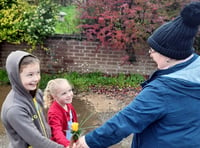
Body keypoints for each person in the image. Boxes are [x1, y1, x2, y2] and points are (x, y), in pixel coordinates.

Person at [74, 2, 200, 148]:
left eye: (153, 50)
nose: (150, 54)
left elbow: (126, 121)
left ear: (168, 55)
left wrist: (89, 141)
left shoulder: (163, 90)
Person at [1, 50, 65, 148]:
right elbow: (37, 141)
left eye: (38, 73)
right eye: (30, 75)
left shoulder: (36, 93)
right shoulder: (14, 109)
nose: (36, 78)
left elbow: (44, 122)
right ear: (16, 77)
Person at [43, 78, 78, 147]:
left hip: (70, 139)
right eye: (64, 93)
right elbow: (56, 132)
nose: (69, 95)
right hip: (61, 144)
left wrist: (76, 138)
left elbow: (74, 121)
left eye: (70, 90)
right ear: (55, 96)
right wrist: (67, 145)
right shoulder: (53, 112)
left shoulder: (68, 104)